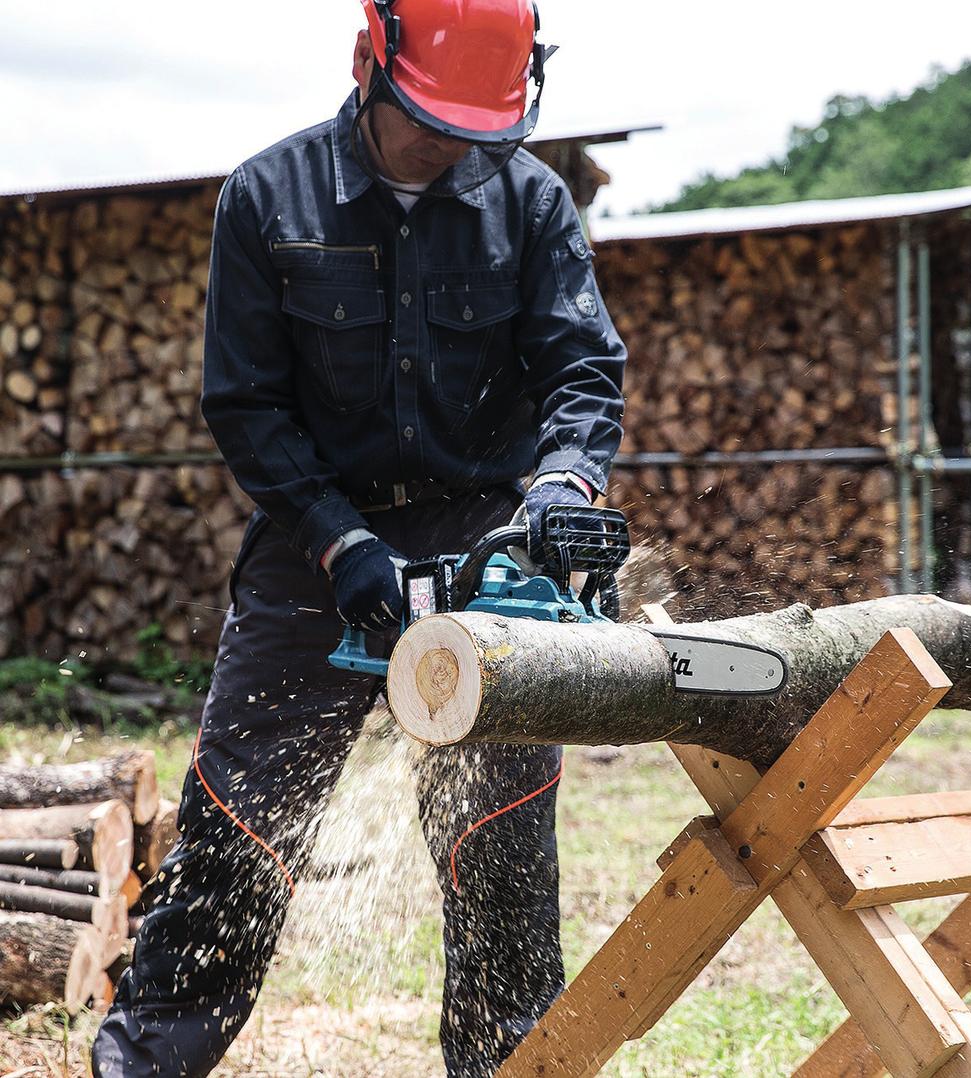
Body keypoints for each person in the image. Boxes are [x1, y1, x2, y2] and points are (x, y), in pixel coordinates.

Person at [92, 0, 626, 1073]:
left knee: (504, 856)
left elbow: (582, 369)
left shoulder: (530, 203)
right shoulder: (267, 196)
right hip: (312, 545)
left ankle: (507, 1063)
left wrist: (562, 488)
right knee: (233, 838)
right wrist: (341, 544)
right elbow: (245, 404)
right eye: (432, 119)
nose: (451, 145)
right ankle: (147, 1057)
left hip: (485, 539)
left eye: (477, 127)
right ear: (364, 63)